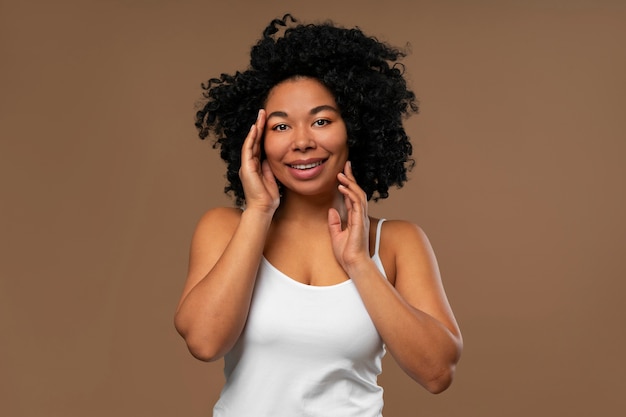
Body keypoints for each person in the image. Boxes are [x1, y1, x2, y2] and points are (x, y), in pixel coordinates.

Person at [174, 14, 462, 417]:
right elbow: (204, 342)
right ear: (257, 140)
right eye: (280, 127)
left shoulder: (397, 243)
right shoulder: (224, 229)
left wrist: (359, 263)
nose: (303, 141)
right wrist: (259, 210)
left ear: (355, 129)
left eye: (322, 120)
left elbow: (437, 372)